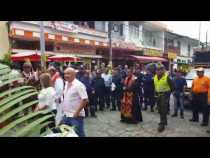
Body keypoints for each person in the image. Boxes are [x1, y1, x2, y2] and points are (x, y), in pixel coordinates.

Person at [61, 67, 88, 137]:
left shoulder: (79, 85)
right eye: (65, 74)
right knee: (66, 133)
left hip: (76, 116)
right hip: (66, 114)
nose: (66, 75)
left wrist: (77, 112)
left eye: (68, 74)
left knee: (78, 134)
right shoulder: (66, 83)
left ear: (74, 74)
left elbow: (85, 99)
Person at [154, 63, 174, 132]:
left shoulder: (167, 77)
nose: (158, 71)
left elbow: (172, 87)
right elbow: (155, 86)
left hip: (165, 95)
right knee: (159, 109)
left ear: (163, 70)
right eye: (157, 70)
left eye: (160, 69)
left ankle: (162, 124)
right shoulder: (155, 77)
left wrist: (168, 94)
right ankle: (164, 121)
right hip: (158, 95)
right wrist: (155, 93)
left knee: (163, 109)